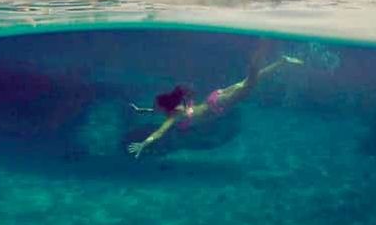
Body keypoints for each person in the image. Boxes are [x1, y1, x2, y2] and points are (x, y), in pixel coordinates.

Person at [127, 54, 304, 158]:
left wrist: (144, 143)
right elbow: (155, 111)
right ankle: (281, 62)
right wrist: (140, 110)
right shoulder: (175, 109)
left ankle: (255, 64)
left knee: (249, 85)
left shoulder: (174, 116)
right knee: (246, 84)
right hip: (214, 97)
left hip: (216, 106)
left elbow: (159, 132)